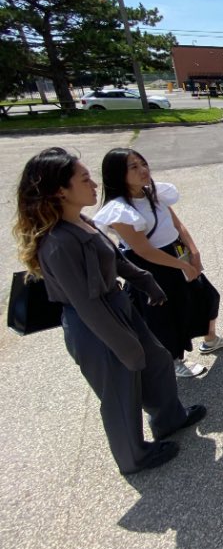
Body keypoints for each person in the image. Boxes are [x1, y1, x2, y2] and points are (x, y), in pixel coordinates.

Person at [13, 147, 206, 475]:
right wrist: (124, 345)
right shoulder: (58, 243)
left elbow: (114, 259)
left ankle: (169, 418)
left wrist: (146, 281)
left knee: (157, 359)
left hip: (118, 307)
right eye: (84, 179)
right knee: (119, 389)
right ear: (61, 190)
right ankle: (133, 457)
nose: (94, 184)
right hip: (94, 325)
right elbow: (86, 304)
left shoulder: (82, 221)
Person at [94, 148, 223, 378]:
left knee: (207, 295)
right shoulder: (120, 210)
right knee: (165, 316)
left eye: (143, 163)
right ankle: (174, 360)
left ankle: (210, 339)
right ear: (117, 174)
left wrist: (194, 252)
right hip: (150, 266)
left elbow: (178, 225)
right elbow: (143, 250)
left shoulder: (154, 193)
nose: (143, 170)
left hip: (175, 253)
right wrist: (183, 266)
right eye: (134, 167)